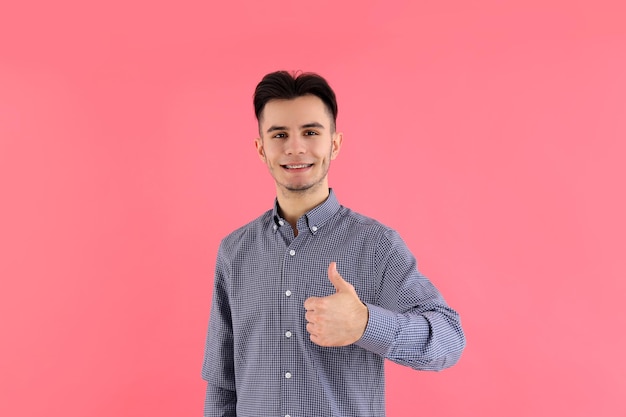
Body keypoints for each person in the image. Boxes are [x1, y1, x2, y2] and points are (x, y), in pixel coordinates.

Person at [201, 70, 466, 417]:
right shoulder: (234, 252)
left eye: (310, 132)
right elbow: (222, 385)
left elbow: (449, 340)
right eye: (279, 134)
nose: (295, 147)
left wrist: (366, 324)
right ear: (261, 149)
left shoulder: (376, 246)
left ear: (335, 143)